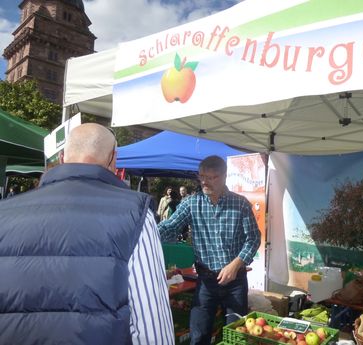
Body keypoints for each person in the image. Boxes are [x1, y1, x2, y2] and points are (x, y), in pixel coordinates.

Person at [0, 123, 174, 345]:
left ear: (62, 157)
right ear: (113, 159)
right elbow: (152, 328)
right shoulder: (136, 213)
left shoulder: (4, 211)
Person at [159, 155, 261, 345]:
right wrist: (145, 233)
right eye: (202, 176)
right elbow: (170, 227)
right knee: (198, 334)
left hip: (235, 281)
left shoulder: (240, 204)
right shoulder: (191, 203)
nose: (205, 181)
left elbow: (254, 238)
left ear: (224, 176)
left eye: (211, 177)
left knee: (236, 335)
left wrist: (235, 264)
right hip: (206, 280)